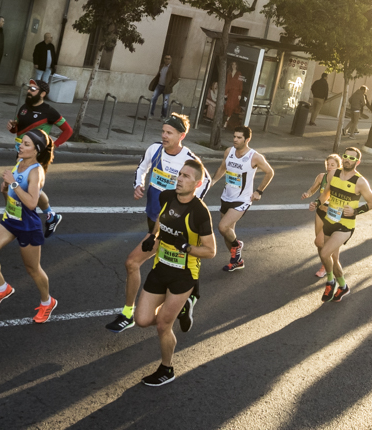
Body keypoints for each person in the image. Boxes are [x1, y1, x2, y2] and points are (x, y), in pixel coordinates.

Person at [106, 114, 211, 333]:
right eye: (163, 131)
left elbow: (206, 181)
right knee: (164, 264)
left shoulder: (189, 160)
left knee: (133, 262)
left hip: (171, 227)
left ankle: (129, 314)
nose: (164, 135)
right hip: (153, 220)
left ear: (181, 136)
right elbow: (142, 167)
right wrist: (138, 184)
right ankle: (187, 302)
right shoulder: (154, 150)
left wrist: (187, 209)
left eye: (169, 133)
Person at [133, 157, 216, 386]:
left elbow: (211, 251)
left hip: (183, 275)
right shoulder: (166, 196)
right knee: (141, 320)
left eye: (186, 176)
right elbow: (161, 220)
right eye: (179, 174)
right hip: (160, 268)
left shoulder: (200, 212)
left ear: (197, 184)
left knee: (162, 326)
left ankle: (167, 369)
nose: (179, 179)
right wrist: (154, 237)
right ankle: (181, 310)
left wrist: (187, 247)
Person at [0, 130, 58, 323]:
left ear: (37, 150)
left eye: (27, 144)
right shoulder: (19, 164)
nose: (21, 146)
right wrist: (5, 190)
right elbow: (10, 199)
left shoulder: (36, 171)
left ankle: (47, 302)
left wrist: (13, 184)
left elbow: (31, 203)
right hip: (10, 219)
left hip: (28, 226)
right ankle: (2, 288)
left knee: (33, 269)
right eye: (22, 142)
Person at [8, 78, 73, 236]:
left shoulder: (49, 111)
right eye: (29, 88)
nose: (29, 91)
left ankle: (18, 219)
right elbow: (18, 128)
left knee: (24, 186)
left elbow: (68, 131)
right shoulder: (24, 108)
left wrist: (53, 146)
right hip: (22, 151)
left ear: (42, 93)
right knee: (29, 186)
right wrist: (12, 127)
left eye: (33, 89)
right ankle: (51, 216)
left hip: (38, 156)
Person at [318, 148, 372, 302]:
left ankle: (330, 282)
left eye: (351, 158)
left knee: (324, 253)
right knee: (334, 259)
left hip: (345, 225)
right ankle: (343, 287)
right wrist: (318, 202)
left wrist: (356, 211)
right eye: (345, 156)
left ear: (357, 162)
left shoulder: (360, 181)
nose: (347, 160)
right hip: (329, 220)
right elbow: (326, 193)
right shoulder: (333, 174)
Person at [212, 126, 274, 272]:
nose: (235, 139)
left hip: (242, 200)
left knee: (223, 227)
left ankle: (237, 246)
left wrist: (259, 191)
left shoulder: (254, 156)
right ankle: (237, 261)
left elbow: (270, 172)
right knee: (227, 233)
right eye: (234, 136)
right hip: (226, 196)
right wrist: (213, 181)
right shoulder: (229, 151)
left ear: (247, 139)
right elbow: (222, 168)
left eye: (239, 137)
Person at [304, 154, 341, 278]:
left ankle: (330, 265)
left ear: (338, 166)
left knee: (319, 241)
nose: (329, 167)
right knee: (320, 244)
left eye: (333, 165)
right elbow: (313, 189)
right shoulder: (322, 177)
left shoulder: (341, 179)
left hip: (333, 215)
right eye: (328, 165)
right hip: (320, 212)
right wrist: (307, 194)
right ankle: (325, 264)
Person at [149, 55, 179, 122]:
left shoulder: (172, 68)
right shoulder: (162, 66)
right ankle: (150, 114)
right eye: (166, 58)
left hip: (166, 87)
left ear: (171, 60)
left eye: (168, 59)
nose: (167, 60)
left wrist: (170, 85)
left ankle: (163, 116)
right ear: (164, 59)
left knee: (165, 102)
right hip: (159, 86)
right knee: (153, 99)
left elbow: (176, 78)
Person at [223, 61, 243, 128]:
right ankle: (227, 121)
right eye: (233, 64)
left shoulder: (239, 73)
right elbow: (228, 84)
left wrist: (240, 94)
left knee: (232, 107)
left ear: (237, 65)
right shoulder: (229, 74)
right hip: (230, 93)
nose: (234, 65)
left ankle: (226, 122)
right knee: (228, 106)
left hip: (236, 93)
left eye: (235, 64)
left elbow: (240, 84)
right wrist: (225, 93)